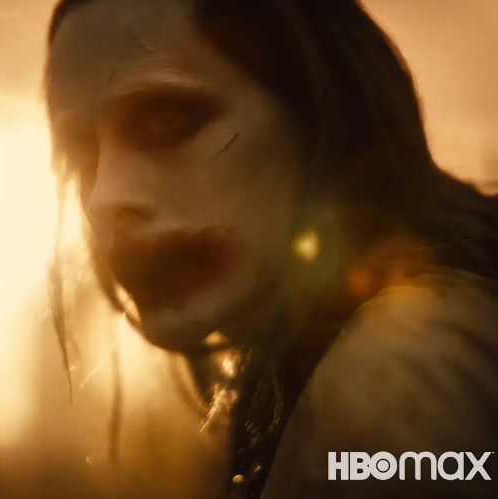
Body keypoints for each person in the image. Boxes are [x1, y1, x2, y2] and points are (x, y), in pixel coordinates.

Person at [43, 0, 498, 497]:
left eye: (164, 119)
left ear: (321, 114)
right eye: (80, 150)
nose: (104, 198)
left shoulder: (393, 372)